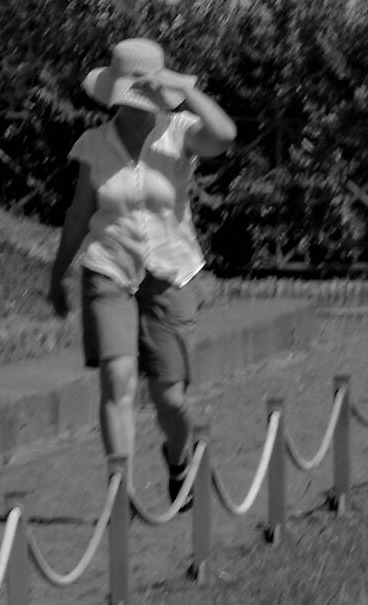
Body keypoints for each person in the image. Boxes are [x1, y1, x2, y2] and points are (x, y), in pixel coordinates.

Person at [47, 37, 237, 505]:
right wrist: (57, 274)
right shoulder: (94, 143)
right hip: (108, 268)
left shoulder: (180, 131)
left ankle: (178, 458)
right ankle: (121, 490)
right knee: (117, 379)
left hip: (170, 271)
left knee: (169, 397)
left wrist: (182, 88)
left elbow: (225, 136)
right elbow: (78, 214)